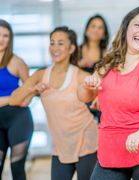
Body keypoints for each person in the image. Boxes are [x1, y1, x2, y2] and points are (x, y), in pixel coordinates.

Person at [78, 6, 139, 180]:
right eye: (138, 25)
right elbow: (84, 97)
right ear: (126, 29)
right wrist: (87, 85)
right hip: (110, 152)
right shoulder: (108, 63)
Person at [10, 26, 98, 180]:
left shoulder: (80, 75)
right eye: (52, 43)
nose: (55, 48)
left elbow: (100, 97)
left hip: (87, 142)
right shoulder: (41, 75)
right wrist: (33, 89)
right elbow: (14, 99)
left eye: (60, 43)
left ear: (71, 48)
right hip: (60, 147)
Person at [0, 19, 33, 180]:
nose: (1, 40)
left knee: (17, 168)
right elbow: (16, 97)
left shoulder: (17, 62)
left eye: (5, 36)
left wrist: (25, 97)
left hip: (19, 119)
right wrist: (12, 98)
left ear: (10, 39)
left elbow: (30, 91)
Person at [79, 14, 110, 121]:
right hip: (79, 97)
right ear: (87, 30)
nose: (96, 30)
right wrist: (79, 65)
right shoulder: (75, 52)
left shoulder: (107, 54)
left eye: (100, 27)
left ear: (104, 34)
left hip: (99, 97)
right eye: (93, 26)